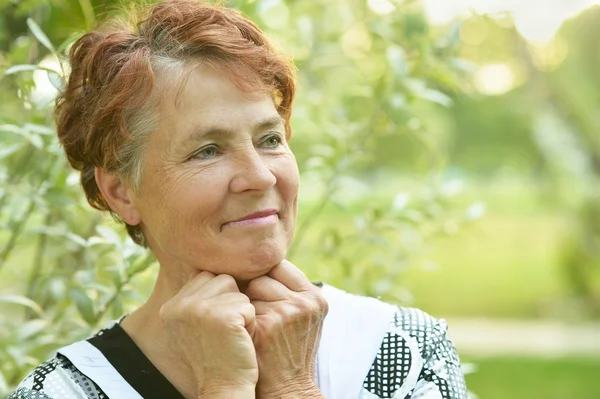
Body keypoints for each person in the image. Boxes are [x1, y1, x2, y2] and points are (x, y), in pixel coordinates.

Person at [8, 1, 468, 398]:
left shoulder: (400, 350)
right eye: (207, 150)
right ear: (121, 191)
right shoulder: (63, 391)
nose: (258, 175)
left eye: (269, 139)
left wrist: (292, 387)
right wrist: (225, 390)